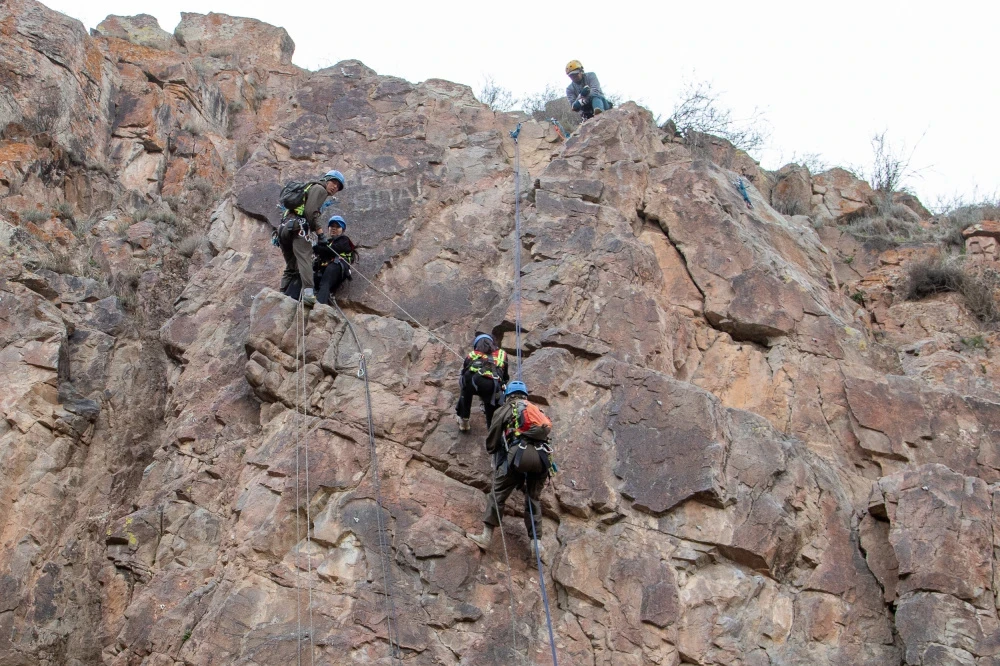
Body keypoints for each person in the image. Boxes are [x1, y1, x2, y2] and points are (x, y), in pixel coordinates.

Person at [467, 381, 553, 558]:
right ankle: (537, 545)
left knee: (497, 494)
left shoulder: (506, 409)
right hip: (542, 459)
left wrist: (493, 450)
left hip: (518, 456)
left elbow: (493, 437)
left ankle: (486, 537)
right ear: (524, 395)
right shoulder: (536, 410)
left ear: (508, 396)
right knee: (533, 499)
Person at [278, 170, 345, 305]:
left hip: (284, 229)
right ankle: (308, 294)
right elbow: (310, 212)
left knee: (292, 265)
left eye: (338, 186)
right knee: (305, 259)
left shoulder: (309, 187)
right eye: (333, 182)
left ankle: (281, 293)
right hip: (298, 228)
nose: (335, 187)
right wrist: (320, 233)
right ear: (326, 180)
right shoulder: (320, 189)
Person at [456, 333, 508, 431]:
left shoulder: (473, 354)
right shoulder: (502, 354)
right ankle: (491, 428)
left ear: (477, 344)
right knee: (492, 400)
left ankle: (464, 419)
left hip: (472, 382)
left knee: (465, 385)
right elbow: (505, 375)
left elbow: (465, 369)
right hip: (491, 385)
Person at [314, 215, 358, 305]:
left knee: (325, 283)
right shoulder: (327, 242)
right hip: (326, 267)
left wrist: (316, 248)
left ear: (343, 230)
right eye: (332, 226)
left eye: (337, 227)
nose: (334, 228)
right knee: (311, 278)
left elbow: (333, 250)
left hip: (337, 265)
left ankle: (320, 305)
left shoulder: (344, 240)